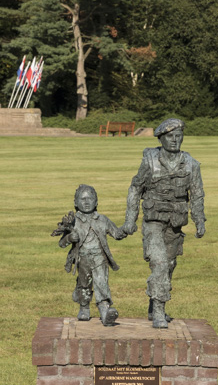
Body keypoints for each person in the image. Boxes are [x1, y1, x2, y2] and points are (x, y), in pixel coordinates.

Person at [122, 118, 206, 328]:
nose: (175, 140)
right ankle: (159, 310)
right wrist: (130, 218)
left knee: (169, 264)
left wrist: (199, 219)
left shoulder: (191, 164)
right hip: (153, 221)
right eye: (170, 136)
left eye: (178, 136)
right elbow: (135, 188)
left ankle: (153, 305)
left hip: (175, 222)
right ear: (161, 138)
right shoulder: (149, 160)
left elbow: (196, 194)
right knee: (159, 264)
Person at [52, 184, 125, 326]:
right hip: (82, 258)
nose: (86, 202)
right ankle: (84, 307)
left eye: (90, 198)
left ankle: (105, 311)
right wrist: (69, 238)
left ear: (96, 202)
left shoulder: (102, 220)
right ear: (75, 202)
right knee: (84, 284)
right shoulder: (73, 222)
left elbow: (116, 234)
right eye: (82, 199)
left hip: (99, 258)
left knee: (101, 282)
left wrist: (127, 228)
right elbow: (61, 243)